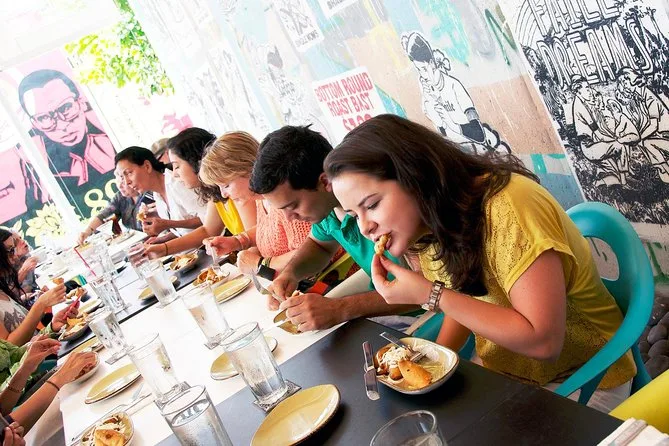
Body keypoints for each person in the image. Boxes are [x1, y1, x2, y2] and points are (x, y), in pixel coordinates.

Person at [323, 114, 636, 411]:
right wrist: (430, 369)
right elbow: (467, 298)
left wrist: (430, 295)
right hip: (509, 370)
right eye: (353, 215)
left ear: (415, 176)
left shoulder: (511, 208)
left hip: (588, 373)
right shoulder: (430, 226)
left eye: (372, 205)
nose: (365, 227)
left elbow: (544, 342)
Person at [248, 125, 416, 332]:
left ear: (325, 182)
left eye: (293, 206)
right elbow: (319, 245)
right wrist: (290, 274)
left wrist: (340, 309)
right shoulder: (328, 210)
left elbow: (422, 290)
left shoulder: (388, 212)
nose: (289, 219)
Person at [199, 132, 312, 278]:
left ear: (248, 170)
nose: (223, 194)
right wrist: (237, 241)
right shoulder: (261, 200)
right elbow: (271, 229)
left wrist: (260, 264)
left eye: (226, 185)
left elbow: (311, 253)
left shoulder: (283, 200)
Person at [143, 128, 256, 258]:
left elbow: (255, 243)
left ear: (196, 162)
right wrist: (163, 249)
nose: (174, 174)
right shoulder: (216, 192)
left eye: (177, 166)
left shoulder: (236, 191)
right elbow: (208, 230)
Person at [17, 70, 115, 190]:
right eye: (44, 117)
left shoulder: (109, 126)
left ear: (81, 102)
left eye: (65, 107)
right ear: (35, 124)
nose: (62, 125)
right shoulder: (35, 159)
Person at [0, 229, 77, 346]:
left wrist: (52, 327)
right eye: (10, 251)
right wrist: (40, 304)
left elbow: (30, 339)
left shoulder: (3, 290)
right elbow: (10, 348)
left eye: (13, 250)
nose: (15, 257)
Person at [114, 147, 206, 243]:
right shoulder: (157, 194)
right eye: (122, 177)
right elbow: (184, 231)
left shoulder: (178, 183)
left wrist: (168, 224)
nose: (126, 182)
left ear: (147, 166)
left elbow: (207, 220)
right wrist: (162, 239)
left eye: (129, 173)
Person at [78, 170, 144, 245]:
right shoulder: (120, 197)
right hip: (135, 243)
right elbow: (103, 215)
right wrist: (86, 232)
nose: (119, 186)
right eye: (117, 181)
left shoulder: (148, 194)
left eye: (122, 182)